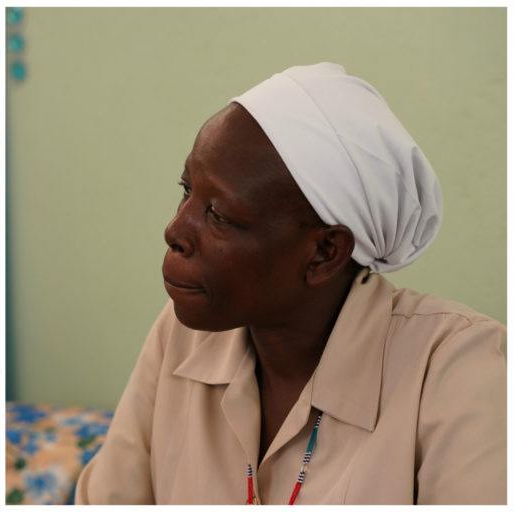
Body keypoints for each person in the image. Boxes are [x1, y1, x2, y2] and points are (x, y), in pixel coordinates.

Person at [75, 63, 505, 504]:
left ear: (324, 253)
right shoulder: (182, 337)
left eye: (219, 214)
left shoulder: (463, 371)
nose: (175, 230)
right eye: (187, 190)